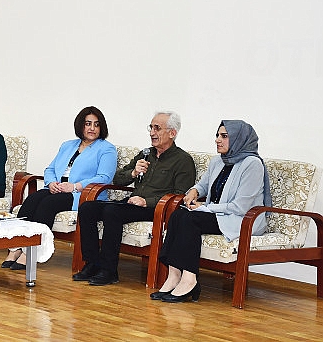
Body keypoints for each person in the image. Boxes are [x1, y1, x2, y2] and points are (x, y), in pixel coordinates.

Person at [151, 120, 270, 303]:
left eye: (224, 136)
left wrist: (205, 207)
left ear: (239, 139)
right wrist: (194, 191)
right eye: (217, 135)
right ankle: (174, 275)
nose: (217, 140)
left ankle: (190, 279)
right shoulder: (218, 161)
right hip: (219, 214)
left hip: (241, 219)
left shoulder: (252, 164)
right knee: (178, 215)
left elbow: (241, 207)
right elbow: (204, 184)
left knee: (191, 220)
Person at [73, 111, 196, 285]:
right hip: (133, 204)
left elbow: (180, 195)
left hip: (156, 209)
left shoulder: (183, 160)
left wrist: (148, 201)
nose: (152, 132)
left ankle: (109, 271)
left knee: (112, 212)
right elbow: (118, 178)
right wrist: (133, 172)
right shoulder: (145, 154)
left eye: (157, 128)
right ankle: (92, 263)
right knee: (87, 208)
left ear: (172, 133)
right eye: (151, 127)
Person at [1, 106, 118, 270]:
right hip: (58, 188)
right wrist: (52, 183)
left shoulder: (106, 148)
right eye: (88, 124)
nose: (92, 128)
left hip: (82, 194)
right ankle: (16, 248)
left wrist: (74, 186)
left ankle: (31, 253)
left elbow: (104, 177)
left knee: (48, 204)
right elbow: (50, 169)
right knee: (32, 200)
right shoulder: (68, 145)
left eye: (96, 124)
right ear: (80, 125)